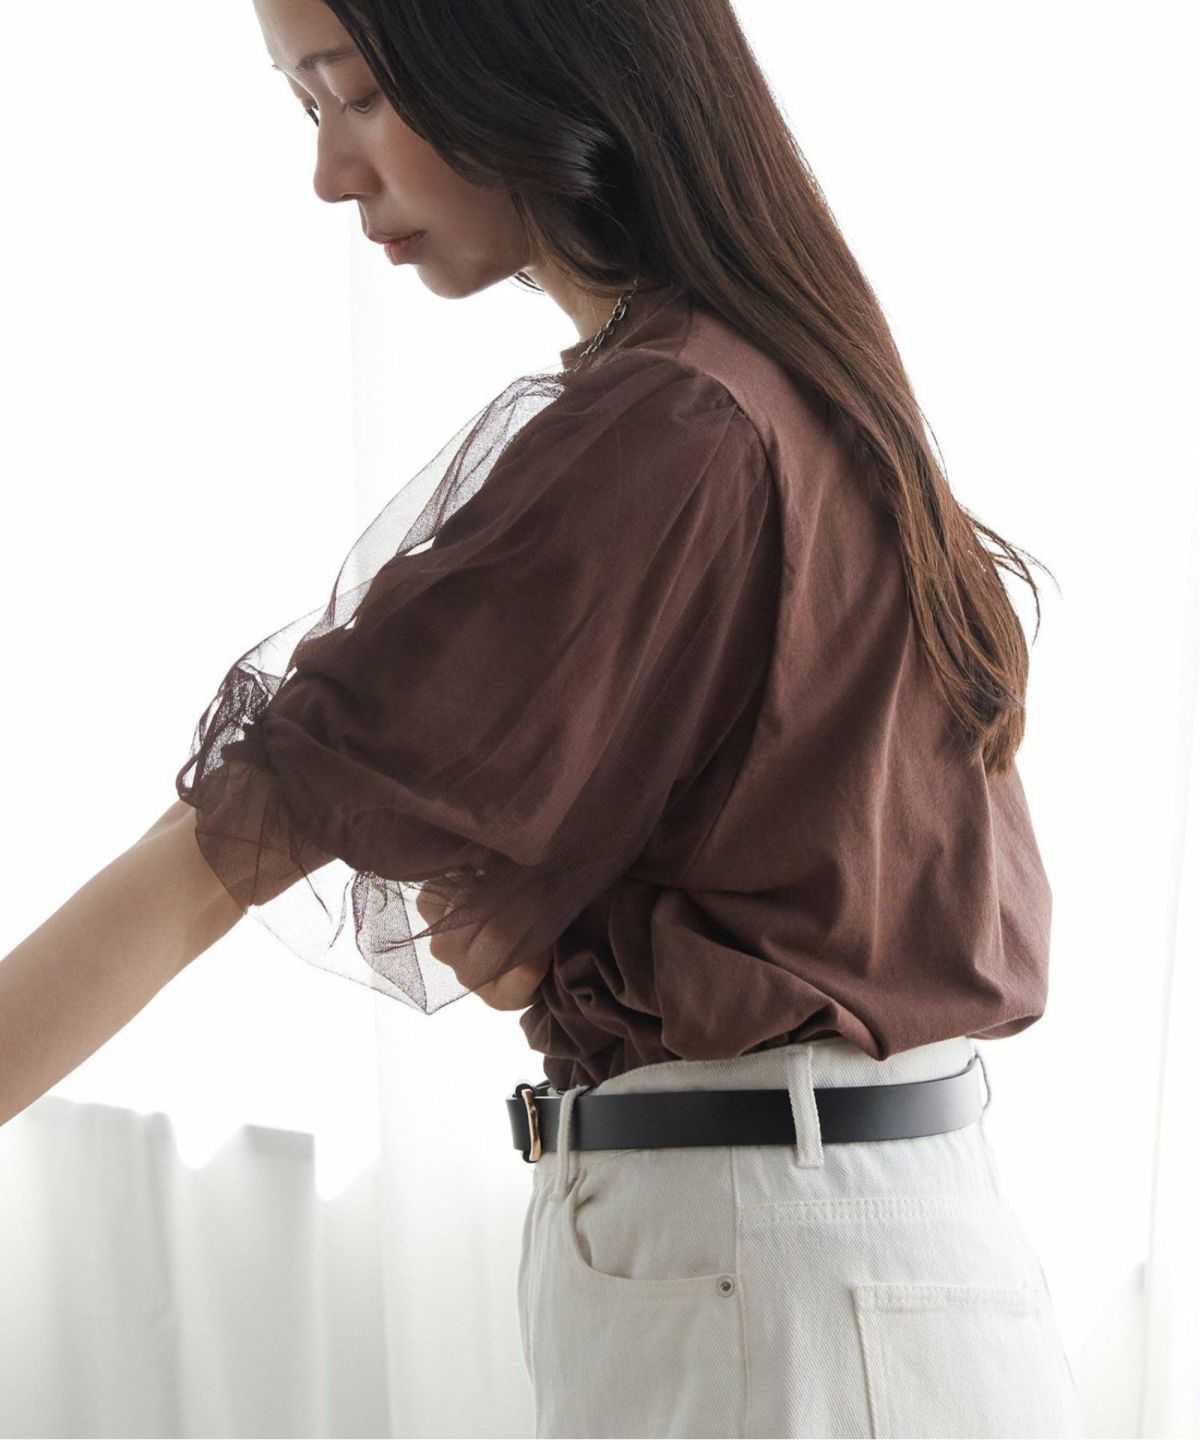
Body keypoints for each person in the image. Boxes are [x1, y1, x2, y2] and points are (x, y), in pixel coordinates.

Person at [0, 0, 1084, 1435]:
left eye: (358, 95)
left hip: (770, 1264)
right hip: (799, 1241)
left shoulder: (677, 422)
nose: (330, 174)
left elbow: (226, 845)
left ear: (525, 56)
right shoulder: (765, 379)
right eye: (306, 109)